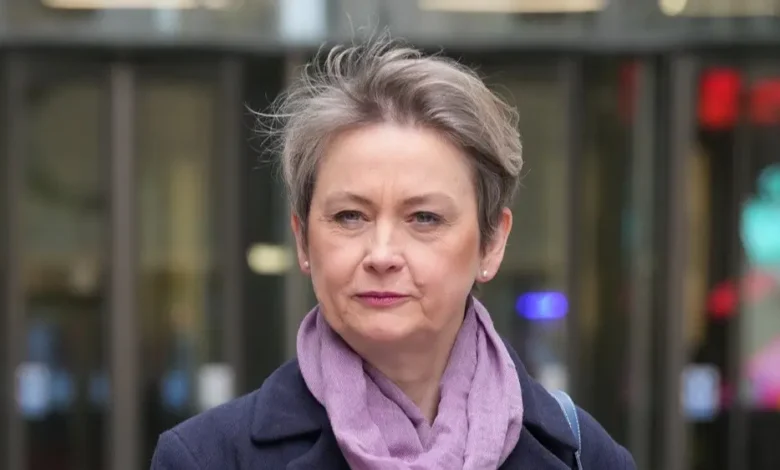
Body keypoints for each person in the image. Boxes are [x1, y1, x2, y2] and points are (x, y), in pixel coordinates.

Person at [150, 37, 636, 470]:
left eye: (424, 218)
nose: (381, 254)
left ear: (492, 243)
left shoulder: (583, 455)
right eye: (349, 217)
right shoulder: (207, 458)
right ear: (302, 240)